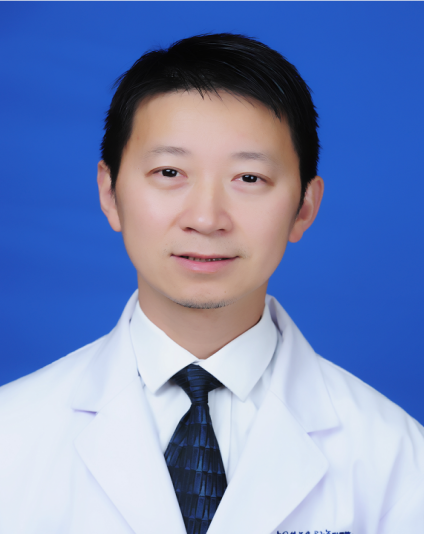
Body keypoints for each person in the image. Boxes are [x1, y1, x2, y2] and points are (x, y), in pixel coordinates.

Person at [0, 33, 423, 534]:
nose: (205, 218)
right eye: (169, 171)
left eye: (249, 178)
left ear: (304, 207)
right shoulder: (12, 435)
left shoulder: (398, 460)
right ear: (109, 193)